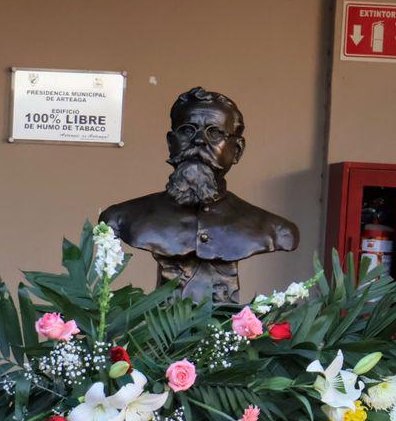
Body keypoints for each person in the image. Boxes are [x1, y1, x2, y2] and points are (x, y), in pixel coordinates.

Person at [99, 86, 298, 303]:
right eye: (187, 130)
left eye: (214, 132)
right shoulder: (122, 217)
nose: (199, 141)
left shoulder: (274, 229)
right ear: (170, 143)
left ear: (237, 150)